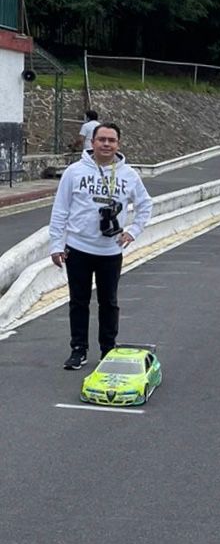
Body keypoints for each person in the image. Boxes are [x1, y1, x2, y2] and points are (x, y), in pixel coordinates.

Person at [49, 123, 153, 370]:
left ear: (118, 144)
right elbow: (60, 210)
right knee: (78, 301)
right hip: (77, 248)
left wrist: (133, 231)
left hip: (110, 251)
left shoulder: (128, 175)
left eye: (112, 140)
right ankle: (78, 350)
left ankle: (108, 348)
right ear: (92, 142)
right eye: (102, 140)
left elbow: (146, 205)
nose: (106, 144)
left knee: (109, 302)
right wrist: (56, 244)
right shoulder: (74, 172)